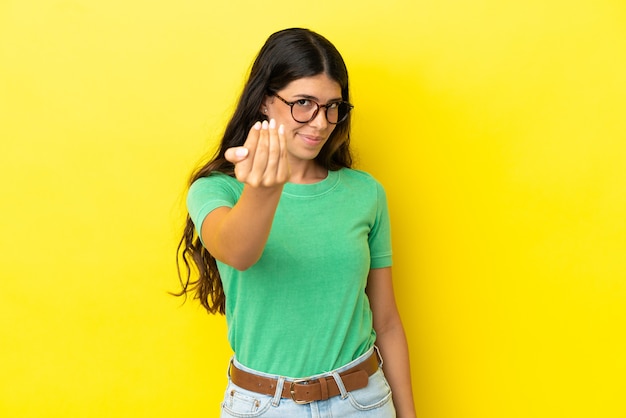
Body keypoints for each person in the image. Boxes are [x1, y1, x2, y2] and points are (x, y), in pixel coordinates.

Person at [175, 28, 416, 418]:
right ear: (266, 102)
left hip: (363, 401)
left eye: (332, 106)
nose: (321, 123)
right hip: (263, 406)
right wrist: (264, 188)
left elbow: (386, 321)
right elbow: (237, 251)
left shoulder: (365, 193)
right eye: (303, 103)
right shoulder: (217, 190)